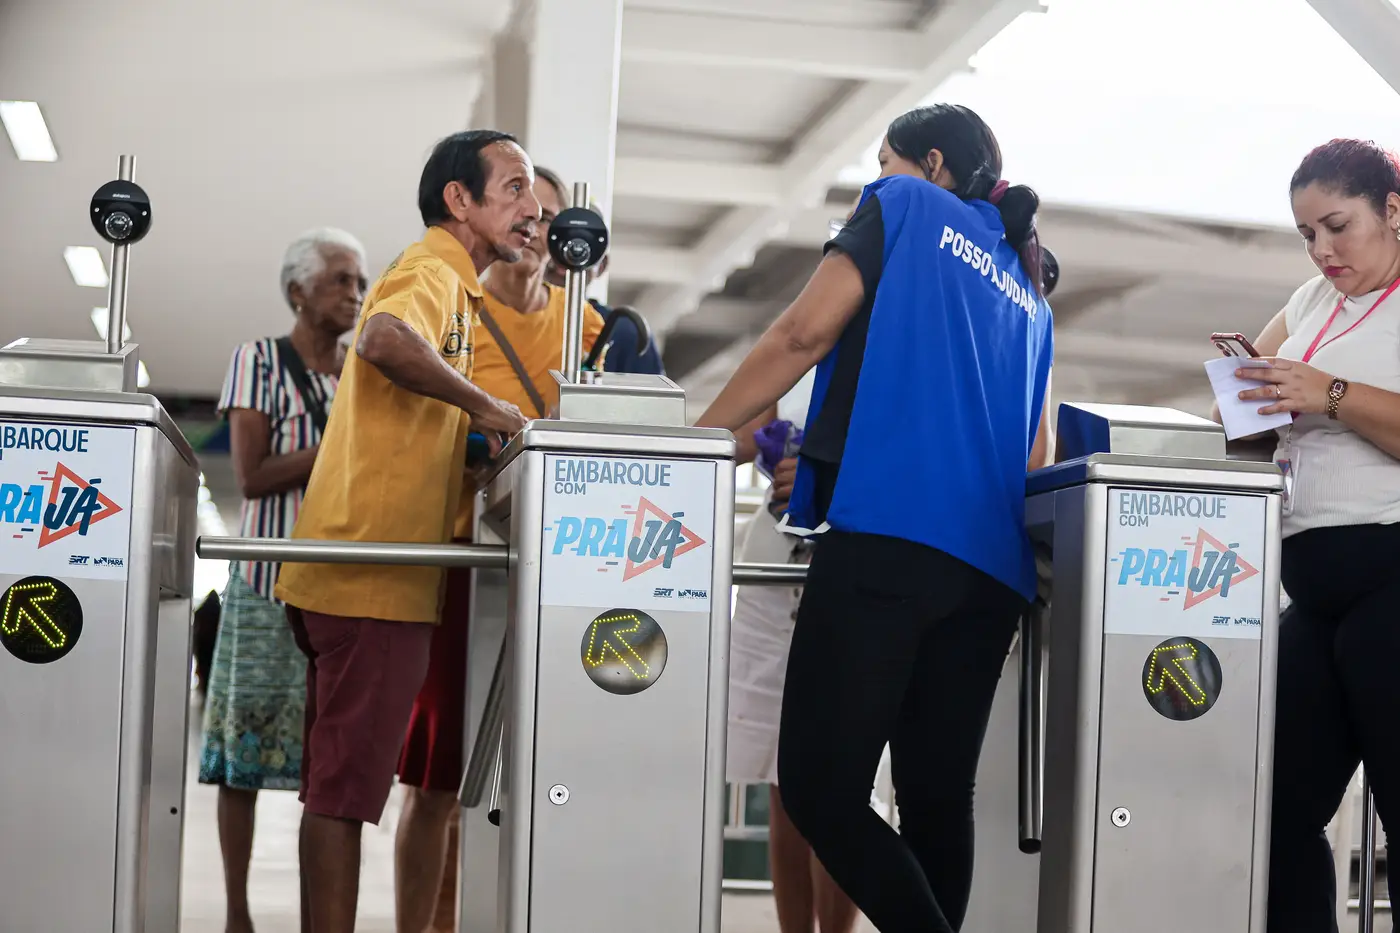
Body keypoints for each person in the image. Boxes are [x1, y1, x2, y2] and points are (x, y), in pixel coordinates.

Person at [695, 103, 1055, 933]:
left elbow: (801, 333)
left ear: (930, 165)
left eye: (884, 160)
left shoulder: (903, 207)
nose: (874, 177)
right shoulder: (1028, 284)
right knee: (935, 802)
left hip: (890, 543)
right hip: (990, 575)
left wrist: (695, 441)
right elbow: (1035, 453)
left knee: (819, 789)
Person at [274, 130, 533, 933]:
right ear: (460, 200)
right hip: (372, 579)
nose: (532, 209)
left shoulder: (459, 289)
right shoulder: (431, 270)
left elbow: (404, 419)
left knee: (336, 791)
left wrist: (471, 445)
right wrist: (488, 406)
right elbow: (383, 342)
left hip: (356, 571)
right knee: (346, 798)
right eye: (515, 188)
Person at [392, 165, 604, 933]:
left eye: (550, 215)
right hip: (470, 563)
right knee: (441, 777)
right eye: (524, 206)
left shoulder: (589, 326)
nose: (536, 225)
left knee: (551, 775)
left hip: (565, 574)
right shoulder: (460, 308)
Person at [1223, 139, 1400, 932]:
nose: (1323, 250)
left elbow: (1326, 396)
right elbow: (1250, 414)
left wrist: (1327, 392)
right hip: (1314, 587)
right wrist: (1248, 398)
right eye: (1306, 234)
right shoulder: (1308, 300)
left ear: (1392, 210)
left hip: (1391, 575)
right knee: (1272, 812)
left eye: (1338, 226)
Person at [198, 227, 368, 933]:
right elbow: (251, 474)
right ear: (298, 291)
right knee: (243, 755)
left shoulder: (363, 369)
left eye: (359, 282)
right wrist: (336, 446)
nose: (354, 295)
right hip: (268, 587)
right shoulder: (258, 362)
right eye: (340, 280)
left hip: (342, 588)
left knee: (322, 769)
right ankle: (238, 911)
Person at [727, 367, 860, 933]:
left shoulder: (914, 330)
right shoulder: (801, 339)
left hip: (855, 559)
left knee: (841, 787)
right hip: (775, 563)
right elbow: (743, 427)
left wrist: (825, 473)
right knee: (784, 784)